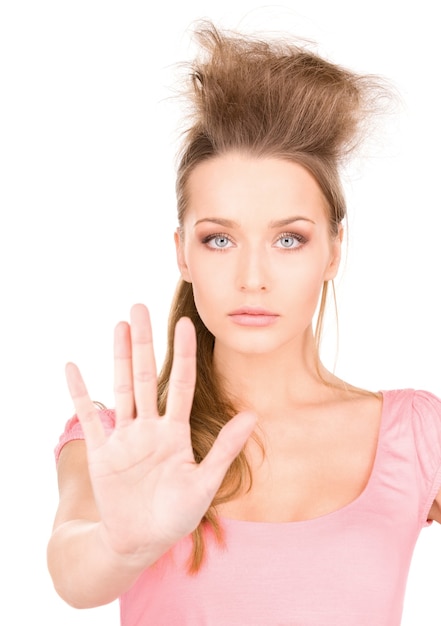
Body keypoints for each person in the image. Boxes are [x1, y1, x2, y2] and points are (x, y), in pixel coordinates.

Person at [47, 21, 441, 626]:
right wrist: (119, 546)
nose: (252, 277)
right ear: (182, 251)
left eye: (288, 238)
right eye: (219, 238)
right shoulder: (120, 440)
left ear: (334, 251)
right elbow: (73, 571)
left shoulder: (415, 436)